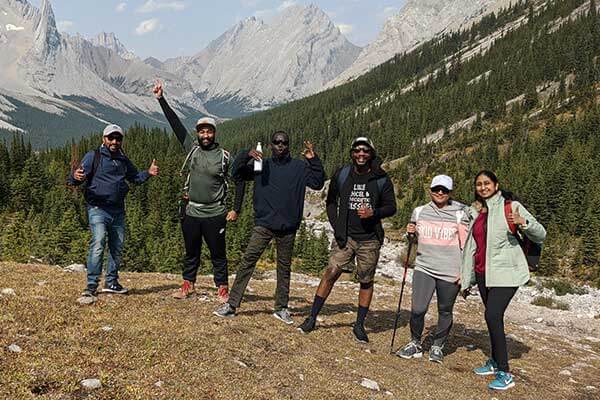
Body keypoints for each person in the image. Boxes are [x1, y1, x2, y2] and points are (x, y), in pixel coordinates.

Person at [213, 131, 325, 324]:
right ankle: (231, 305)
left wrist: (313, 159)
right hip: (264, 224)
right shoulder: (260, 166)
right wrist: (245, 154)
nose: (280, 145)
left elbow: (318, 182)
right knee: (248, 261)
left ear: (288, 145)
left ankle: (281, 308)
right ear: (270, 145)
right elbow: (236, 173)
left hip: (288, 227)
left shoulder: (299, 167)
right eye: (276, 142)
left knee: (284, 268)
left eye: (284, 142)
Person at [297, 137, 396, 343]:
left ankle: (359, 325)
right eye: (357, 150)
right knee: (331, 272)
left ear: (371, 154)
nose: (361, 154)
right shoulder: (342, 174)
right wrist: (337, 227)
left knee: (366, 280)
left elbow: (391, 207)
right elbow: (331, 202)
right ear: (352, 153)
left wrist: (374, 213)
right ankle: (312, 317)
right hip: (346, 237)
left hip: (370, 239)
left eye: (365, 151)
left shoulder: (380, 178)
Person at [153, 80, 244, 303]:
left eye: (209, 131)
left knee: (218, 254)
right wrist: (161, 99)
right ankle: (188, 284)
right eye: (202, 131)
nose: (205, 135)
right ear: (198, 133)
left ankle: (222, 288)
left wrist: (236, 209)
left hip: (215, 213)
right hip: (192, 211)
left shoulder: (224, 156)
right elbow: (175, 125)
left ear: (214, 133)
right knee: (191, 251)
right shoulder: (191, 149)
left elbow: (239, 180)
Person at [460, 170, 546, 391]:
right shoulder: (476, 211)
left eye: (487, 183)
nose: (483, 187)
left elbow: (541, 234)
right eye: (479, 184)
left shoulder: (512, 207)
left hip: (506, 273)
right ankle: (495, 361)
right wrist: (467, 279)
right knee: (492, 319)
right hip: (483, 273)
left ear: (496, 185)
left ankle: (505, 373)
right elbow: (473, 247)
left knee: (492, 315)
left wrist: (523, 222)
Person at [70, 124, 159, 297]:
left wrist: (148, 172)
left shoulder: (122, 159)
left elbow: (135, 178)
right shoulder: (93, 156)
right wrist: (74, 177)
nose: (114, 141)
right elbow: (77, 177)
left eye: (118, 138)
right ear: (104, 139)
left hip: (118, 211)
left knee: (116, 247)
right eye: (111, 138)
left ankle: (111, 282)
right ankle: (91, 285)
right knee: (98, 242)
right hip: (97, 208)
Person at [395, 175, 469, 363]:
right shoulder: (419, 212)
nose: (440, 193)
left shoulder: (461, 212)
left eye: (444, 190)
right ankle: (415, 343)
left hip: (450, 270)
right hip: (424, 267)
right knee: (418, 309)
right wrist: (409, 234)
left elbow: (467, 246)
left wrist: (466, 273)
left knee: (445, 310)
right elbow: (413, 240)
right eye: (437, 189)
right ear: (430, 190)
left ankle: (437, 346)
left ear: (450, 192)